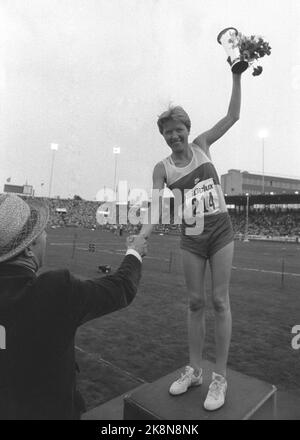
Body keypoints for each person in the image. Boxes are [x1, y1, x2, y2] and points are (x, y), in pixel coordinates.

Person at [140, 71, 241, 411]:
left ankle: (220, 378)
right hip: (192, 237)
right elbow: (154, 207)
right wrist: (141, 237)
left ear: (187, 128)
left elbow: (232, 117)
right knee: (195, 303)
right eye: (167, 132)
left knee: (220, 301)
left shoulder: (202, 146)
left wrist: (235, 77)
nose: (173, 136)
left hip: (221, 230)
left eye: (177, 129)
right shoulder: (163, 168)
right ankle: (195, 370)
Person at [0, 194, 147, 420]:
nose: (46, 235)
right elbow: (122, 288)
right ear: (29, 248)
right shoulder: (54, 291)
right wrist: (134, 251)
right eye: (41, 232)